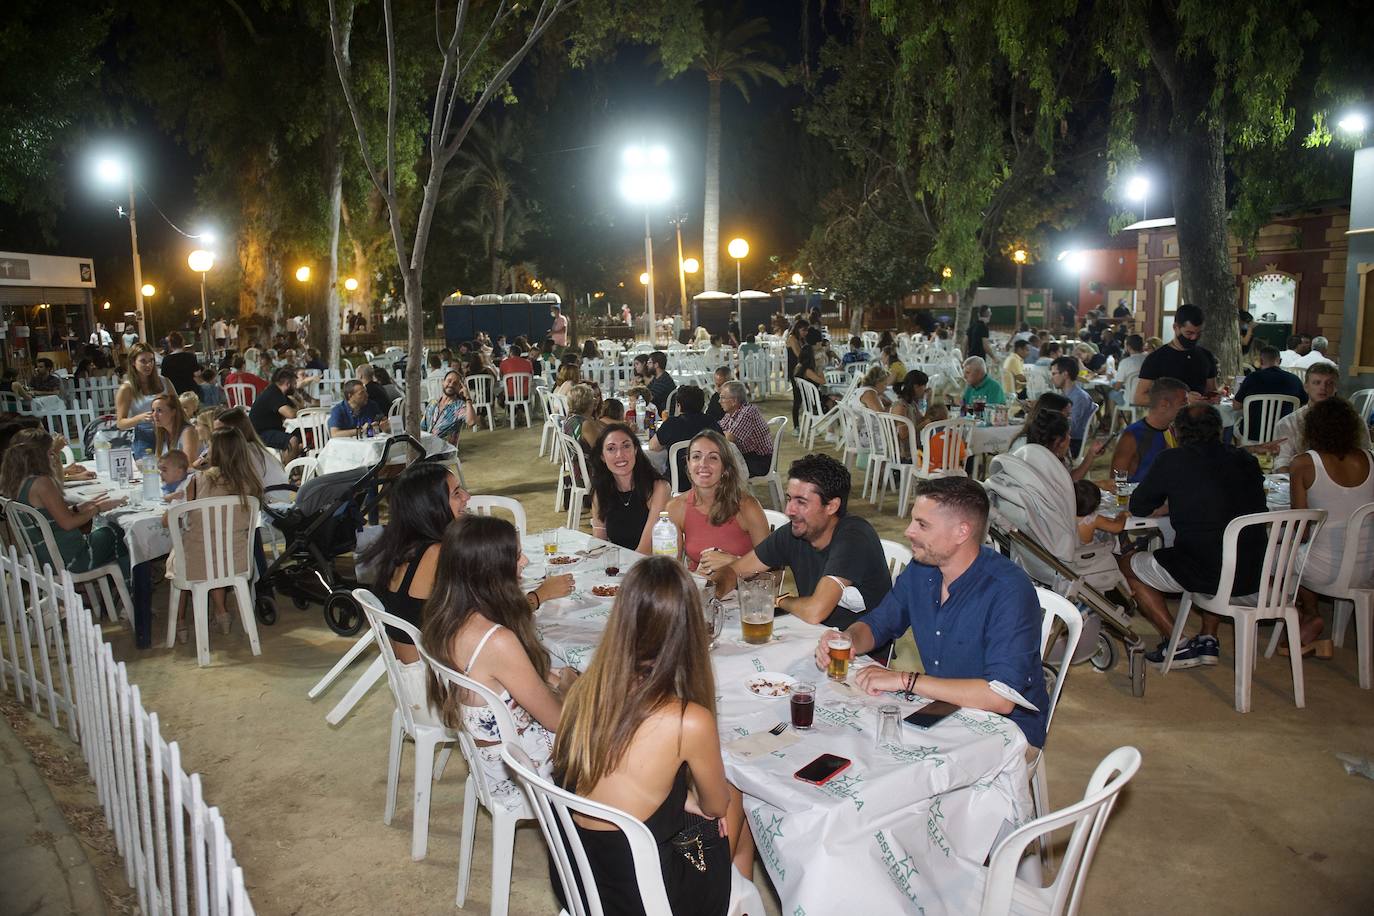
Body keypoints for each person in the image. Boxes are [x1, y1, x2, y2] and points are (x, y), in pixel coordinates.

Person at [551, 558, 753, 916]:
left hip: (581, 881)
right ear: (689, 629)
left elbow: (617, 774)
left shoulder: (584, 689)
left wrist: (679, 799)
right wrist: (697, 799)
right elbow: (715, 807)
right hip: (645, 898)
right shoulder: (688, 720)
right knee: (737, 810)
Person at [815, 476, 1050, 748]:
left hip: (1006, 733)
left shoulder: (1009, 590)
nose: (908, 531)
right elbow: (878, 625)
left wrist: (905, 680)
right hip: (943, 711)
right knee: (850, 738)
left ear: (962, 532)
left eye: (922, 524)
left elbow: (999, 697)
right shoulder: (923, 570)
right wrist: (846, 640)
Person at [419, 513, 576, 800]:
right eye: (516, 556)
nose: (524, 562)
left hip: (489, 761)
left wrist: (556, 678)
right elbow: (557, 721)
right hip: (525, 771)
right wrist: (568, 686)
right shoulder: (497, 641)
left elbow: (518, 676)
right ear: (491, 570)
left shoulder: (445, 617)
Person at [1117, 405, 1268, 668]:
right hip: (1256, 574)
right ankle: (1208, 636)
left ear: (1175, 432)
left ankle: (1176, 641)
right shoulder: (1246, 460)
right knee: (1217, 545)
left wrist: (1171, 499)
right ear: (1219, 430)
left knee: (1126, 563)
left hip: (1206, 574)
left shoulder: (1173, 460)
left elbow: (1139, 506)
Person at [718, 454, 891, 631]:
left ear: (831, 506)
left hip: (859, 652)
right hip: (814, 636)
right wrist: (710, 596)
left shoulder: (855, 537)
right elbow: (734, 571)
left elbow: (814, 611)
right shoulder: (796, 532)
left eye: (801, 502)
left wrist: (781, 600)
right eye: (789, 499)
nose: (789, 510)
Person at [1288, 397, 1374, 656]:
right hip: (1368, 567)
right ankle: (1308, 617)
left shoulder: (1303, 463)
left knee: (1279, 556)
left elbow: (1301, 528)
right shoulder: (1370, 459)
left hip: (1325, 569)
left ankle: (1308, 614)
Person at [166, 428, 262, 642]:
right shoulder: (251, 484)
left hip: (200, 561)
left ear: (213, 452)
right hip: (236, 561)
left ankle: (181, 622)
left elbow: (182, 516)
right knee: (215, 548)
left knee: (181, 551)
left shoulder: (198, 481)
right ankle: (222, 614)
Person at [0, 428, 126, 574]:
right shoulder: (42, 483)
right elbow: (67, 523)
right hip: (69, 559)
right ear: (38, 456)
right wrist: (97, 509)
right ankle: (133, 588)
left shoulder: (17, 482)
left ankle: (118, 583)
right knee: (119, 532)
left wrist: (79, 508)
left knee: (104, 532)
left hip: (45, 558)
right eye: (50, 453)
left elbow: (47, 515)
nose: (53, 457)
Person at [666, 430, 769, 578]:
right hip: (700, 595)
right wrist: (694, 576)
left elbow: (775, 576)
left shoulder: (747, 507)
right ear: (688, 464)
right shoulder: (675, 508)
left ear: (725, 468)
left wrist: (736, 564)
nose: (703, 464)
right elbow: (669, 573)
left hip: (741, 595)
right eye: (696, 457)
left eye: (713, 458)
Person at [1273, 363, 1372, 471]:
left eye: (1329, 383)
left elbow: (1364, 454)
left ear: (1335, 388)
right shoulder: (1288, 423)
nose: (1323, 387)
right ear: (1306, 387)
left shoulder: (1354, 420)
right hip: (1303, 479)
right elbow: (1282, 462)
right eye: (1317, 383)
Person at [589, 423, 671, 553]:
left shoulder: (658, 488)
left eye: (626, 446)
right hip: (619, 565)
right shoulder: (601, 491)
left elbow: (645, 550)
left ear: (636, 450)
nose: (620, 455)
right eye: (611, 449)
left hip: (651, 565)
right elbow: (599, 542)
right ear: (602, 457)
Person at [1133, 303, 1218, 405]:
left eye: (1198, 334)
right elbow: (1139, 397)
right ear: (1175, 327)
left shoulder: (1206, 356)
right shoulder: (1157, 358)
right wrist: (1181, 399)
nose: (1194, 338)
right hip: (1169, 418)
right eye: (1189, 333)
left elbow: (1211, 390)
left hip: (1200, 417)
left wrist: (1213, 397)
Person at [1110, 376, 1187, 483]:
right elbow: (1115, 482)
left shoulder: (1174, 431)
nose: (1187, 408)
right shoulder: (1132, 436)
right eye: (1183, 404)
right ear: (1164, 404)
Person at [648, 385, 720, 484]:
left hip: (677, 481)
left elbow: (653, 446)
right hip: (707, 478)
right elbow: (722, 446)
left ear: (679, 405)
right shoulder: (711, 422)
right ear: (703, 405)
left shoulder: (672, 423)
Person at [116, 343, 177, 459]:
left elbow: (177, 407)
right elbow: (120, 423)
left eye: (151, 360)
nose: (148, 365)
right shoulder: (127, 388)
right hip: (145, 435)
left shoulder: (164, 382)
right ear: (133, 362)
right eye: (143, 361)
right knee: (149, 470)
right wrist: (140, 418)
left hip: (168, 432)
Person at [1234, 346, 1306, 430]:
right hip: (1284, 433)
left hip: (1252, 433)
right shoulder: (1295, 380)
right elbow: (1303, 404)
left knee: (1235, 425)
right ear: (1280, 361)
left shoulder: (1252, 378)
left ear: (1260, 361)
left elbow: (1236, 406)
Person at [715, 381, 773, 478]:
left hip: (760, 461)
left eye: (723, 397)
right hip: (747, 456)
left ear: (734, 401)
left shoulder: (748, 412)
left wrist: (723, 433)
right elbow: (718, 430)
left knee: (719, 468)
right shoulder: (732, 412)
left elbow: (728, 439)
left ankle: (731, 493)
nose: (719, 401)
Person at [248, 368, 302, 459]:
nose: (295, 387)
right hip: (259, 434)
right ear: (288, 384)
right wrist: (297, 407)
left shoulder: (280, 393)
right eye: (294, 384)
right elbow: (291, 414)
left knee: (302, 434)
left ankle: (290, 463)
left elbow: (300, 407)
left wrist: (296, 399)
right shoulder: (273, 393)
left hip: (271, 430)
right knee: (292, 441)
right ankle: (285, 471)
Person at [1050, 355, 1094, 455]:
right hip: (1066, 441)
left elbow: (1071, 428)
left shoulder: (1079, 397)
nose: (1052, 378)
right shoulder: (1066, 394)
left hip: (1072, 444)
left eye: (1054, 374)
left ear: (1065, 374)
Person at [423, 371, 476, 447]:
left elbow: (471, 422)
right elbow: (422, 428)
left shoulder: (459, 406)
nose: (451, 385)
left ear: (459, 387)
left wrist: (468, 398)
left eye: (455, 383)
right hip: (426, 449)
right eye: (449, 381)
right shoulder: (432, 404)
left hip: (444, 453)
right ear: (443, 382)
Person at [1074, 479, 1127, 545]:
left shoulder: (1063, 512)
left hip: (1068, 551)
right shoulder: (1093, 519)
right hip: (1090, 552)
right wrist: (1122, 515)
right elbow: (1117, 527)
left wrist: (1099, 483)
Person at [151, 392, 200, 459]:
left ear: (173, 412)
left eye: (159, 410)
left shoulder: (187, 431)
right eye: (153, 410)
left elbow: (189, 463)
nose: (154, 415)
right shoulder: (163, 433)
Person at [160, 331, 201, 396]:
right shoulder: (190, 356)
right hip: (190, 390)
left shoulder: (166, 360)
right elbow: (197, 373)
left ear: (170, 344)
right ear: (182, 342)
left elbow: (164, 378)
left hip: (175, 391)